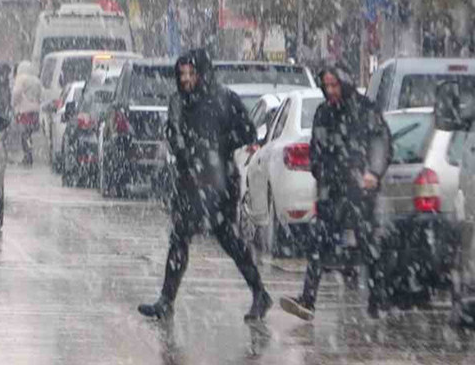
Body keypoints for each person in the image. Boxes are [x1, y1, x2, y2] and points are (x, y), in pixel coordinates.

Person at [139, 48, 272, 321]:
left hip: (219, 181)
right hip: (189, 181)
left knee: (228, 238)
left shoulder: (224, 99)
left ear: (202, 73)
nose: (186, 79)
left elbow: (247, 130)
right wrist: (179, 145)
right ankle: (166, 299)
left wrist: (218, 145)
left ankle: (260, 292)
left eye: (191, 73)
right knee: (179, 239)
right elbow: (173, 133)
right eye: (182, 74)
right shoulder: (177, 101)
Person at [280, 64, 391, 321]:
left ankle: (378, 300)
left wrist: (373, 172)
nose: (330, 91)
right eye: (326, 85)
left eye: (334, 85)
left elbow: (381, 142)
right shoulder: (324, 112)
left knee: (368, 243)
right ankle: (308, 299)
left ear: (344, 83)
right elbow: (316, 147)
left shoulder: (366, 109)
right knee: (319, 242)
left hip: (360, 191)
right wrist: (320, 170)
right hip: (331, 190)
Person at [11, 60, 44, 165]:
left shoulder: (20, 79)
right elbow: (41, 95)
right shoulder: (36, 80)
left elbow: (16, 93)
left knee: (24, 134)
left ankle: (27, 156)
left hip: (24, 110)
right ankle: (30, 153)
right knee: (29, 133)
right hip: (35, 110)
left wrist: (14, 104)